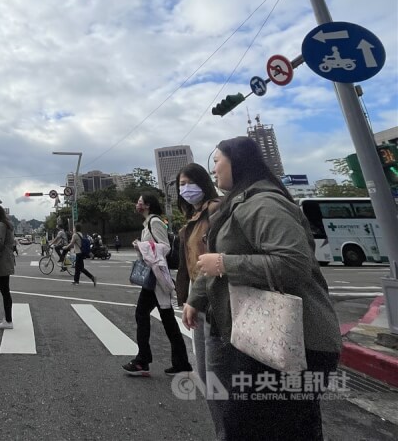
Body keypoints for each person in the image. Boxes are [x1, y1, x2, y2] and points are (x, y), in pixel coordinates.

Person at [183, 137, 341, 439]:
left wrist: (228, 264)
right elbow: (213, 262)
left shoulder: (263, 202)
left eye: (217, 160)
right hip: (262, 338)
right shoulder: (238, 203)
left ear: (237, 161)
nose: (214, 169)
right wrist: (196, 298)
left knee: (258, 426)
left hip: (294, 341)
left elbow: (294, 264)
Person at [172, 163, 222, 435]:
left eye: (190, 182)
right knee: (205, 375)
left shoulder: (216, 211)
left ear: (204, 182)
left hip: (215, 301)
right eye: (181, 185)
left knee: (215, 377)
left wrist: (194, 297)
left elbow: (215, 258)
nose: (185, 188)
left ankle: (229, 431)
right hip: (199, 301)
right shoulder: (193, 217)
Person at [122, 193, 191, 377]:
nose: (137, 203)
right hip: (155, 278)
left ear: (147, 205)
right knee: (167, 321)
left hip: (156, 279)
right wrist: (142, 246)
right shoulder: (149, 223)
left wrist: (141, 246)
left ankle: (142, 360)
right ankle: (181, 363)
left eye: (139, 201)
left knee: (142, 314)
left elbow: (164, 247)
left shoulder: (155, 222)